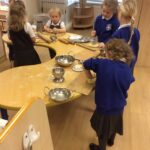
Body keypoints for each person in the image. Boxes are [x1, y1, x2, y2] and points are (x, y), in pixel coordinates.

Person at [83, 39, 135, 150]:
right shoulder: (127, 69)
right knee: (114, 126)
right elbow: (129, 81)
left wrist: (91, 77)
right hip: (119, 107)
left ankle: (101, 148)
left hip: (104, 107)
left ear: (110, 53)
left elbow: (86, 63)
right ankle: (111, 140)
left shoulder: (102, 63)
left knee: (102, 132)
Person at [100, 0, 140, 73]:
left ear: (120, 14)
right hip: (129, 70)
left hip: (118, 72)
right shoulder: (136, 31)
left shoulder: (117, 34)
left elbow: (110, 57)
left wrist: (105, 47)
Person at [7, 0, 41, 67]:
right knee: (32, 71)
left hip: (18, 56)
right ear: (23, 13)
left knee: (20, 71)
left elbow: (9, 37)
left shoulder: (9, 27)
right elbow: (33, 39)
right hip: (30, 55)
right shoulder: (27, 25)